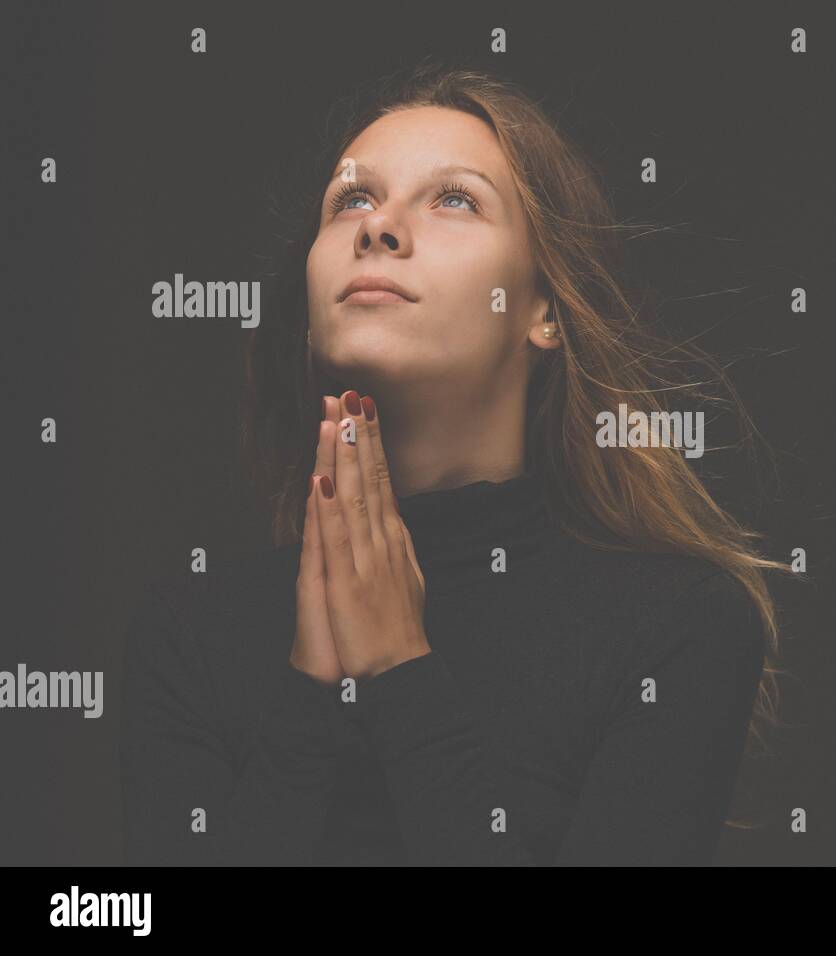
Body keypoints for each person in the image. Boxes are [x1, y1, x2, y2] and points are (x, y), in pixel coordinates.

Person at [120, 60, 790, 866]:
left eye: (455, 199)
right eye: (353, 199)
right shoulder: (189, 633)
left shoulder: (682, 625)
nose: (379, 227)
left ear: (543, 311)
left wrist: (400, 670)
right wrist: (312, 696)